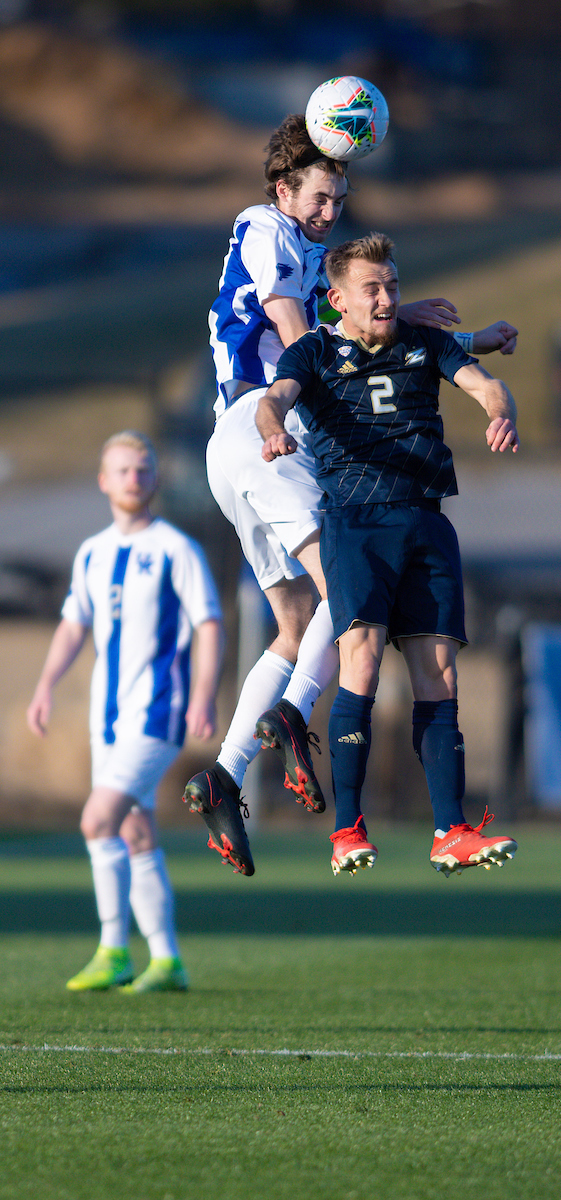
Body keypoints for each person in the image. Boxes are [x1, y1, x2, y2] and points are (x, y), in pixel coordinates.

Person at [184, 113, 518, 875]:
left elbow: (353, 337)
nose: (332, 212)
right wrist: (403, 325)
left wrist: (438, 333)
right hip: (260, 431)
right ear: (283, 188)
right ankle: (295, 718)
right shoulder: (264, 225)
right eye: (322, 196)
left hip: (237, 448)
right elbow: (308, 342)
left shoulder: (303, 248)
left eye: (341, 198)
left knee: (298, 621)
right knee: (354, 590)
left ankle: (226, 776)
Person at [253, 232, 519, 876]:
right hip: (356, 525)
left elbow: (484, 383)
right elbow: (274, 400)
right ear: (337, 299)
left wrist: (497, 409)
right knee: (363, 666)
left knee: (440, 676)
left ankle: (450, 830)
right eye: (372, 288)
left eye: (392, 286)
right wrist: (270, 433)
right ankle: (347, 829)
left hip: (426, 523)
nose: (386, 297)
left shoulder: (424, 343)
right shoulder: (315, 349)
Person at [26, 431, 224, 991]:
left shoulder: (174, 549)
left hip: (155, 713)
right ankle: (167, 961)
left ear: (154, 478)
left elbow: (208, 622)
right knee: (135, 833)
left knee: (97, 820)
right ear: (103, 481)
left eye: (143, 469)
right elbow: (73, 623)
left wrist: (204, 694)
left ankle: (113, 949)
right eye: (123, 470)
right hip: (104, 719)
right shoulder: (92, 551)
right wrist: (45, 684)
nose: (133, 479)